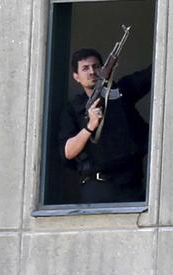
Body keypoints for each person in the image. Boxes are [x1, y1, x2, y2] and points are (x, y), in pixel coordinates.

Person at [58, 48, 151, 204]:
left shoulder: (122, 91)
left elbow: (153, 74)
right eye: (85, 68)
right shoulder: (72, 110)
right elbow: (68, 151)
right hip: (97, 187)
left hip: (130, 185)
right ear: (76, 77)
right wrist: (90, 126)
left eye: (96, 66)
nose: (92, 72)